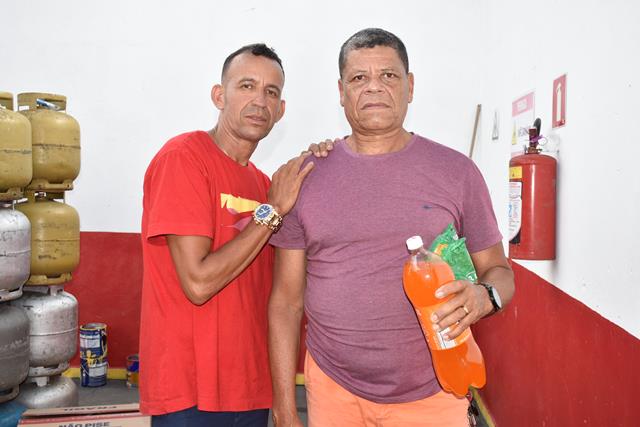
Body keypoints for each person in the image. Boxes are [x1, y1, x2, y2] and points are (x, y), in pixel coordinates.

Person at [269, 28, 515, 427]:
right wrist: (283, 406)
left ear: (410, 86)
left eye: (388, 75)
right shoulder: (306, 177)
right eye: (358, 78)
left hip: (436, 388)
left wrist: (485, 296)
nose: (374, 87)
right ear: (341, 91)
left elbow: (499, 271)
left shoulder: (457, 172)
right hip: (332, 388)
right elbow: (286, 301)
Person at [140, 43, 320, 427]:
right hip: (190, 391)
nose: (260, 101)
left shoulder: (264, 186)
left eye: (271, 92)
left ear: (281, 110)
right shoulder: (183, 158)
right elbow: (199, 283)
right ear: (219, 96)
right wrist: (272, 211)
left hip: (250, 388)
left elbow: (283, 294)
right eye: (247, 86)